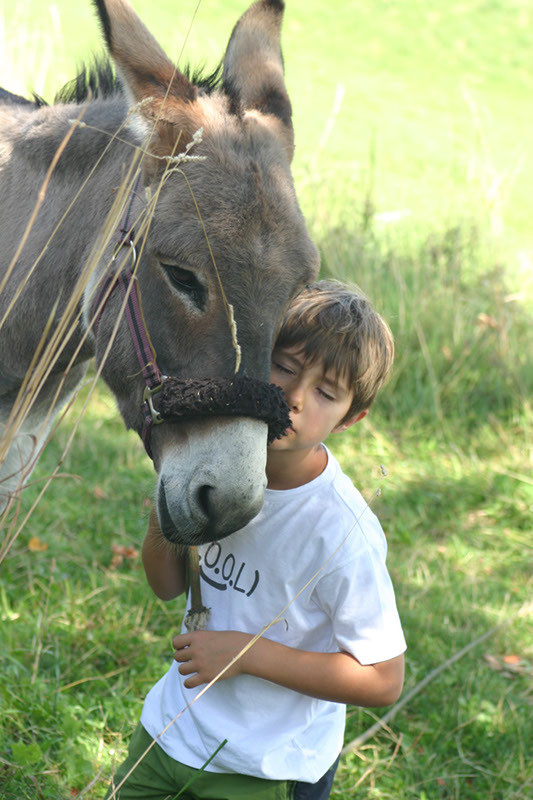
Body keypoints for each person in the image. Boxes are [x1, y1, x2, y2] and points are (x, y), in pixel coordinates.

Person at [106, 280, 406, 800]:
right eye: (284, 366)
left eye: (325, 392)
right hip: (169, 733)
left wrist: (246, 654)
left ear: (350, 418)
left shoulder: (339, 530)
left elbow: (382, 679)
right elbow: (165, 585)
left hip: (262, 767)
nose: (293, 397)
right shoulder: (217, 465)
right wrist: (170, 498)